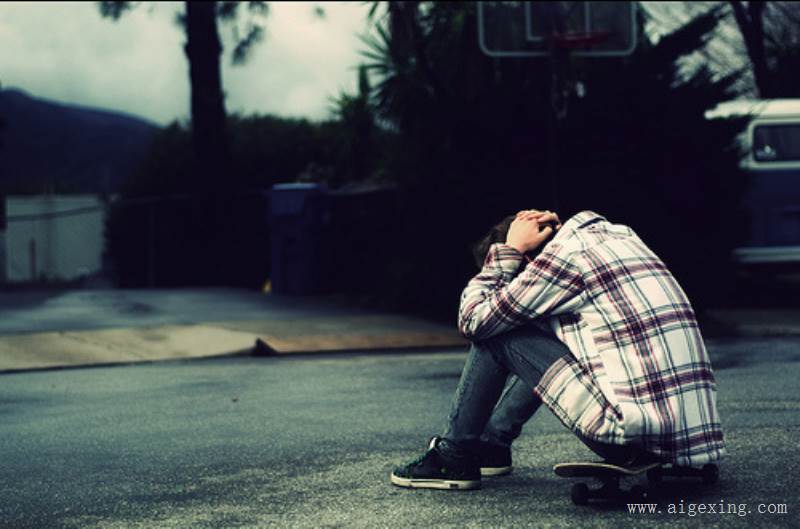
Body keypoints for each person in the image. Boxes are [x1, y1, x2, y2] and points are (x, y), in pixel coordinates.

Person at [390, 209, 724, 490]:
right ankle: (492, 445)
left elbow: (474, 320)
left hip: (633, 438)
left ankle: (454, 456)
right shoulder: (618, 238)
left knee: (496, 332)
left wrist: (507, 254)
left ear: (531, 256)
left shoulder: (559, 262)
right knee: (545, 330)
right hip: (691, 438)